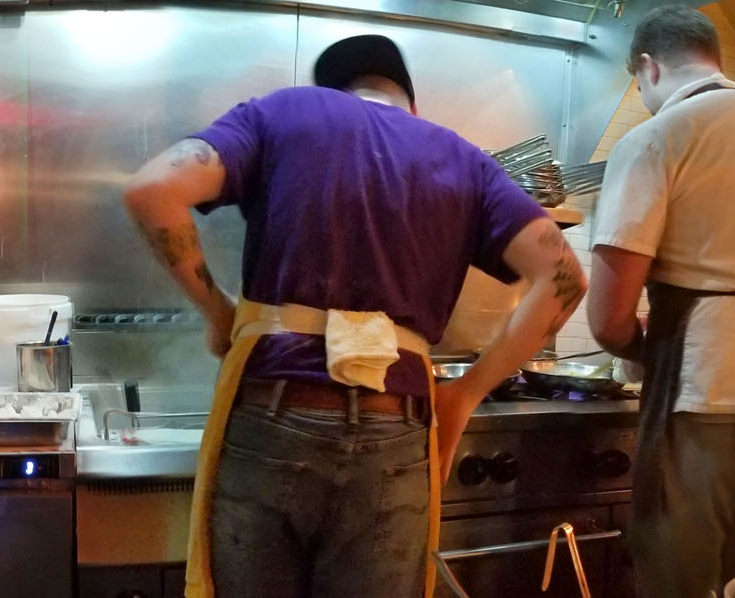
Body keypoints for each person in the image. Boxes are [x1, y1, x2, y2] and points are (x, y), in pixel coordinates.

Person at [121, 35, 584, 598]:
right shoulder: (463, 157)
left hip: (274, 414)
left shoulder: (286, 111)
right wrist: (463, 397)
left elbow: (151, 191)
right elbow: (564, 278)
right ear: (410, 103)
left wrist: (220, 315)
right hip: (398, 425)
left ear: (333, 91)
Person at [584, 7, 735, 596]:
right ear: (713, 57)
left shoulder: (655, 139)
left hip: (702, 393)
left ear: (647, 67)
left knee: (678, 579)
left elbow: (608, 317)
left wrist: (642, 350)